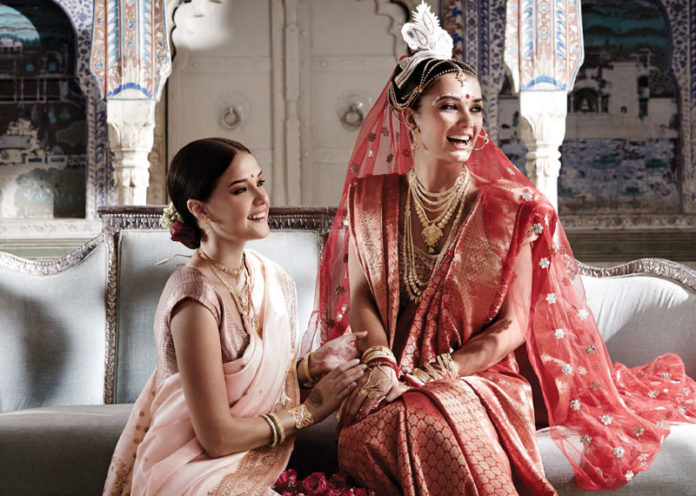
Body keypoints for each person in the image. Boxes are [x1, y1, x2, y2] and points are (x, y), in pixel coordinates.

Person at [302, 3, 696, 495]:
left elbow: (512, 326)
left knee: (417, 421)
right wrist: (383, 364)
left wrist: (436, 373)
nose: (468, 121)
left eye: (476, 107)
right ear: (410, 118)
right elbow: (362, 297)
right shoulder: (371, 200)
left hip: (481, 375)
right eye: (449, 106)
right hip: (390, 368)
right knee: (367, 433)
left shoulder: (514, 209)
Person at [102, 137, 366, 496]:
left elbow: (246, 384)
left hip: (240, 459)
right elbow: (217, 437)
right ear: (201, 209)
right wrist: (312, 409)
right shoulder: (194, 298)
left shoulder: (266, 276)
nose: (261, 199)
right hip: (190, 469)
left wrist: (309, 366)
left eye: (260, 182)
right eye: (241, 190)